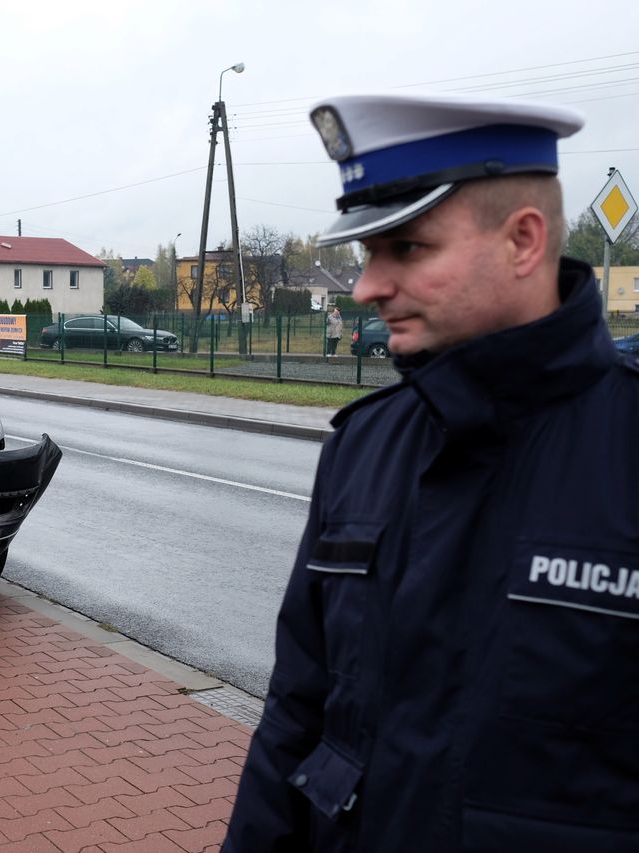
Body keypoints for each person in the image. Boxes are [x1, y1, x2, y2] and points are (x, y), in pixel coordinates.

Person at [225, 94, 638, 851]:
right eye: (366, 253)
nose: (365, 287)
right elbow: (296, 715)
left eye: (406, 249)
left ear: (522, 240)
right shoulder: (362, 448)